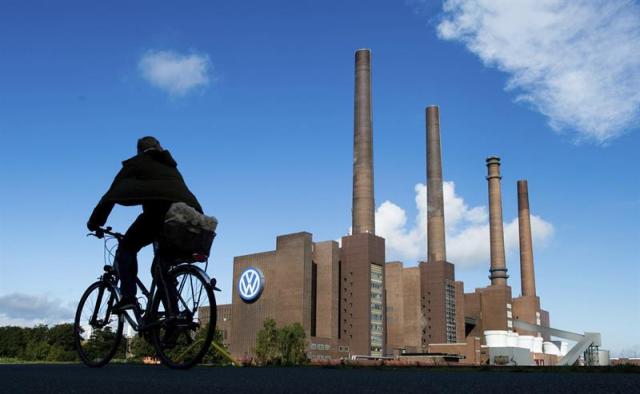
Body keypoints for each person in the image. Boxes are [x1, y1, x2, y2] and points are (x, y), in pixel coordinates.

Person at [87, 136, 203, 312]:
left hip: (161, 213)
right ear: (158, 147)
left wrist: (94, 222)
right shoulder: (170, 166)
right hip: (191, 216)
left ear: (139, 150)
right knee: (160, 268)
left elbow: (111, 194)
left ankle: (128, 297)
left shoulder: (137, 163)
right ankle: (174, 318)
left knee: (127, 247)